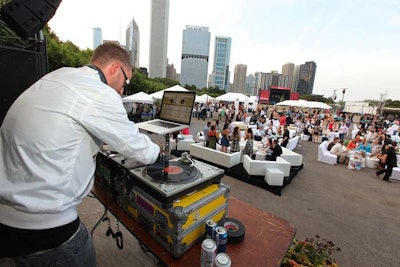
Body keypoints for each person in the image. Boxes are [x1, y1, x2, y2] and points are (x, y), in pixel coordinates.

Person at [0, 43, 161, 266]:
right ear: (115, 68)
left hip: (6, 220)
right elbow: (140, 150)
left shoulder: (56, 76)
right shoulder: (98, 92)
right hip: (47, 227)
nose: (123, 90)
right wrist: (159, 153)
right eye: (126, 82)